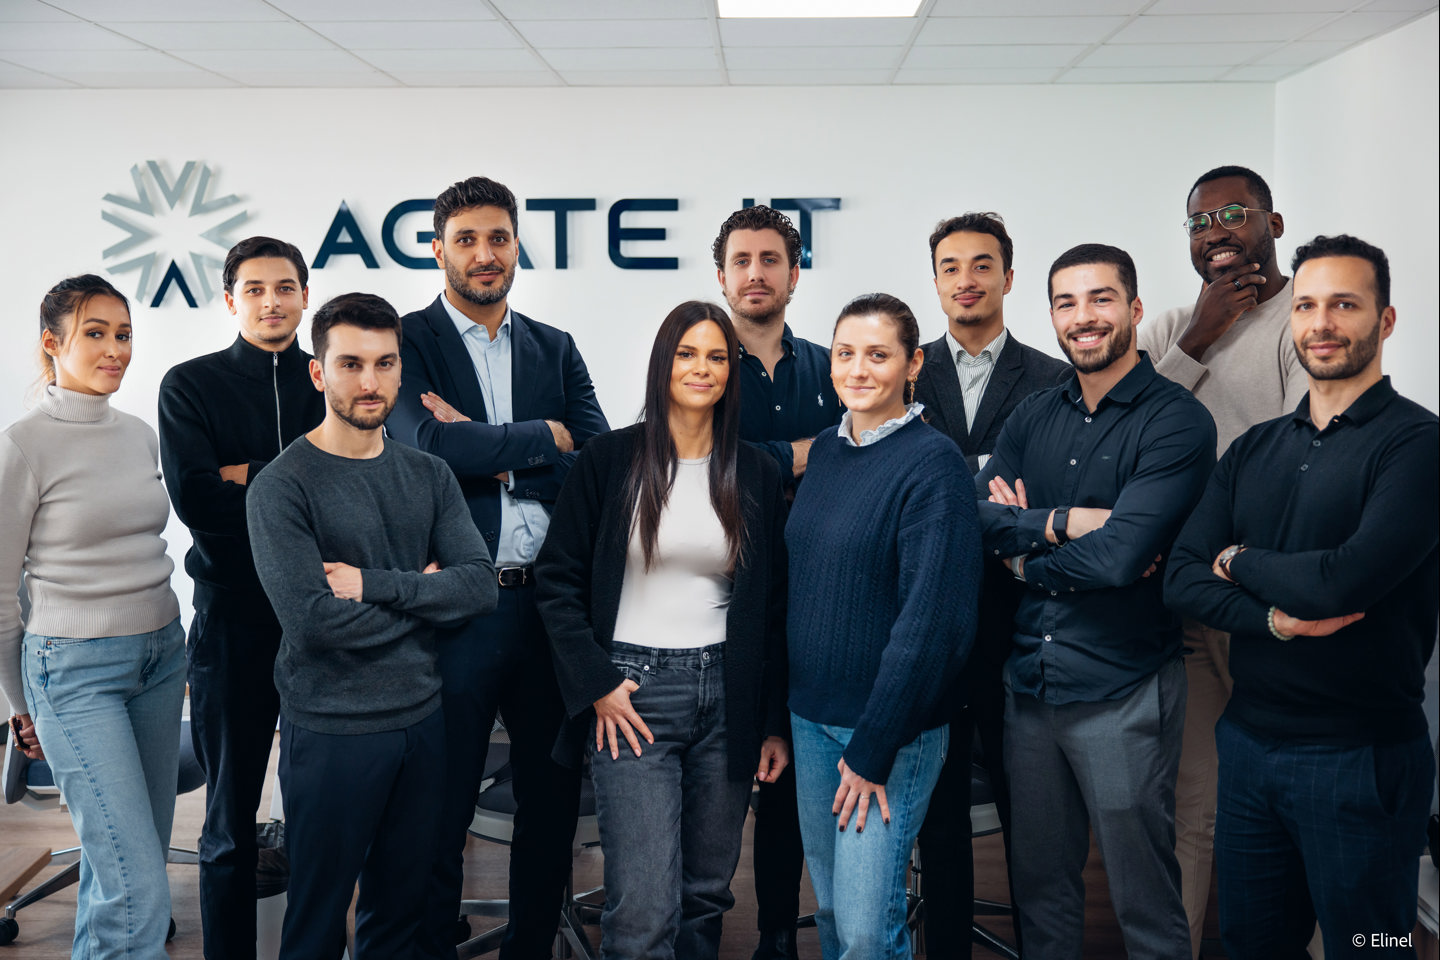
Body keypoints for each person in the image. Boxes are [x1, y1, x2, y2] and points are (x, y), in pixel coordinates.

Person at [1165, 235, 1437, 960]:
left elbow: (1340, 582)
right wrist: (1273, 620)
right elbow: (1182, 576)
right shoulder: (1253, 449)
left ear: (1384, 320)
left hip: (1360, 757)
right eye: (1307, 306)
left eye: (1344, 305)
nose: (1321, 323)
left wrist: (1238, 559)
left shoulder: (1418, 445)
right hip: (1248, 748)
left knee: (1371, 947)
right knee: (1253, 945)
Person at [385, 175, 610, 959]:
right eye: (468, 240)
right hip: (458, 607)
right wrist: (544, 436)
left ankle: (530, 948)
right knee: (439, 806)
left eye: (499, 239)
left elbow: (597, 465)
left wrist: (491, 448)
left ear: (517, 247)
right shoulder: (408, 341)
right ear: (438, 249)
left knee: (550, 802)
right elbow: (429, 446)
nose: (485, 254)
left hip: (549, 606)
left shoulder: (555, 346)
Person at [975, 244, 1215, 959]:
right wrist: (1064, 522)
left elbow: (1121, 558)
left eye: (1101, 298)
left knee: (1143, 896)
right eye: (1066, 302)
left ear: (1135, 309)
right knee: (1041, 891)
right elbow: (976, 519)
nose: (1083, 317)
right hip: (1030, 686)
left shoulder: (1176, 422)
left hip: (1123, 687)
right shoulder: (1031, 416)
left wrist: (1023, 552)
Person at [535, 300, 790, 960]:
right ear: (662, 363)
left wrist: (770, 723)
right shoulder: (610, 458)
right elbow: (556, 581)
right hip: (633, 695)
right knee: (645, 907)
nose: (702, 368)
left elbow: (771, 610)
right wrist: (597, 683)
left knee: (705, 895)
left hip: (727, 694)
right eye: (687, 353)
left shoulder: (755, 471)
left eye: (717, 357)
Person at [246, 292, 497, 958]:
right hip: (333, 732)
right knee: (317, 920)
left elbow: (478, 588)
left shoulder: (430, 474)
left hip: (422, 724)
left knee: (400, 917)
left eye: (385, 363)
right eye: (351, 364)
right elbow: (313, 624)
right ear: (317, 372)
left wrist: (376, 586)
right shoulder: (282, 486)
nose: (370, 381)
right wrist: (427, 596)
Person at [1137, 165, 1308, 957]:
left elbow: (1301, 457)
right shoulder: (1172, 326)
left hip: (1265, 602)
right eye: (1200, 221)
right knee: (1192, 802)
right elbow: (1128, 433)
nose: (1216, 232)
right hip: (1184, 599)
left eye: (1234, 213)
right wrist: (1196, 341)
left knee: (1296, 796)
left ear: (1273, 223)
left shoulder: (1303, 320)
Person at [786, 293, 980, 960]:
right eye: (845, 354)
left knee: (869, 930)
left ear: (912, 363)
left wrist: (873, 747)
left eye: (877, 354)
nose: (858, 369)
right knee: (835, 913)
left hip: (889, 734)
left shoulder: (934, 464)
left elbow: (935, 623)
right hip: (811, 723)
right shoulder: (827, 451)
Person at [1, 274, 185, 959]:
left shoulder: (138, 434)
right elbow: (0, 593)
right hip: (73, 670)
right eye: (96, 334)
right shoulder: (23, 445)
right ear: (53, 344)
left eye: (124, 334)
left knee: (128, 870)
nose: (116, 349)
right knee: (136, 889)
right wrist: (22, 704)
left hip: (161, 656)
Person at [157, 236, 325, 959]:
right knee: (228, 825)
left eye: (284, 287)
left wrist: (246, 475)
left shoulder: (333, 381)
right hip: (233, 625)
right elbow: (197, 500)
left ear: (305, 297)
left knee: (322, 819)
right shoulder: (190, 385)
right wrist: (304, 488)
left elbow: (359, 492)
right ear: (230, 301)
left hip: (325, 623)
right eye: (254, 289)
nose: (271, 302)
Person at [912, 212, 1069, 959]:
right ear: (935, 281)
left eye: (982, 265)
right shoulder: (903, 369)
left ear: (1008, 277)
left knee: (1029, 814)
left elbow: (1055, 499)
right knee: (939, 812)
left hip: (1020, 622)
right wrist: (992, 491)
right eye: (950, 267)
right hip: (928, 619)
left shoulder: (1053, 379)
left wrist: (957, 489)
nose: (966, 280)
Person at [712, 203, 840, 960]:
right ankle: (711, 929)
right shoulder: (701, 360)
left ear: (795, 274)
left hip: (821, 594)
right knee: (729, 777)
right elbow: (704, 462)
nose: (755, 273)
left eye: (770, 260)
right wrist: (810, 451)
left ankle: (780, 937)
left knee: (791, 777)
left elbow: (869, 455)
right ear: (721, 275)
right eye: (742, 260)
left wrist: (760, 454)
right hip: (728, 598)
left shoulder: (832, 364)